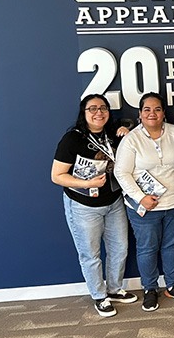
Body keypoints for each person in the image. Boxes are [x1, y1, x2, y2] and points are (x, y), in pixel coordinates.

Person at [51, 94, 134, 317]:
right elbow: (57, 176)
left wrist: (127, 136)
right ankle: (99, 295)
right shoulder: (72, 139)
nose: (99, 112)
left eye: (103, 108)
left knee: (120, 249)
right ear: (84, 112)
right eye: (92, 108)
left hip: (113, 201)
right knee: (90, 254)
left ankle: (115, 289)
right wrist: (86, 183)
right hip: (83, 205)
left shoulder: (114, 133)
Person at [114, 92, 174, 312]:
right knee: (147, 248)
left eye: (157, 109)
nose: (152, 113)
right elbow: (122, 172)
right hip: (146, 207)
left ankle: (172, 286)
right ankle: (150, 289)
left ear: (164, 112)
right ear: (140, 114)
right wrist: (141, 198)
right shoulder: (132, 140)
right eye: (147, 109)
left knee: (172, 246)